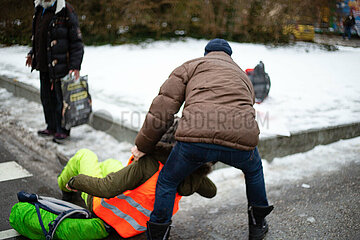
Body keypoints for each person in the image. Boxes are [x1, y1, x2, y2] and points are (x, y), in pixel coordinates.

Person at [131, 38, 273, 240]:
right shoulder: (242, 75)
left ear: (207, 53)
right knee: (254, 170)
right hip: (240, 141)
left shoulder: (191, 66)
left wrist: (143, 145)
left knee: (168, 180)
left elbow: (163, 108)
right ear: (229, 56)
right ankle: (258, 225)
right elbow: (247, 108)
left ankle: (158, 233)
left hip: (193, 141)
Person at [57, 123, 217, 238]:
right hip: (137, 225)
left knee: (85, 155)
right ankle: (90, 175)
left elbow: (105, 188)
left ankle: (65, 188)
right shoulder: (185, 173)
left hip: (105, 209)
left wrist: (75, 182)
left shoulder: (149, 164)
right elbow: (211, 191)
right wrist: (196, 168)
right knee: (112, 164)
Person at [25, 0, 84, 143]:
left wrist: (75, 66)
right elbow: (39, 36)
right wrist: (32, 53)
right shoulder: (40, 9)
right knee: (46, 98)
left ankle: (63, 130)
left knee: (60, 101)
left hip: (61, 65)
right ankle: (51, 126)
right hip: (44, 64)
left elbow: (76, 42)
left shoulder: (65, 10)